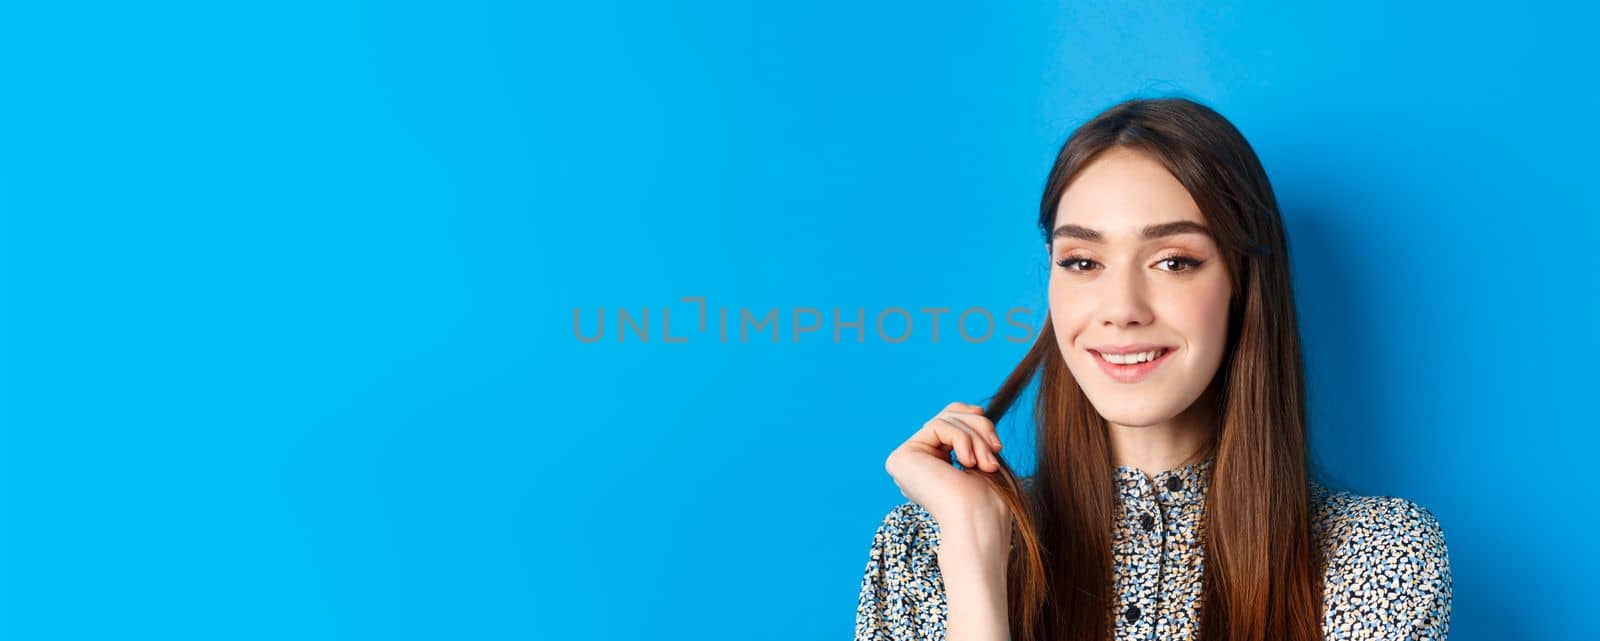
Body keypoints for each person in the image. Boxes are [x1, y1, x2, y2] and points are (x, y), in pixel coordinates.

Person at [853, 97, 1451, 641]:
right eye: (1083, 261)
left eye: (1173, 261)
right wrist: (973, 550)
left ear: (1242, 281)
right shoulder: (925, 548)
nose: (1121, 310)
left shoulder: (1374, 553)